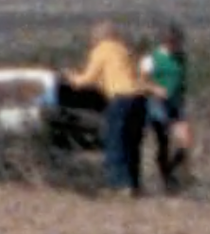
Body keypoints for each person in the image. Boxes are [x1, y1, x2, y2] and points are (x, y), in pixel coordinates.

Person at [65, 20, 154, 197]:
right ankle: (134, 184)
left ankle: (118, 185)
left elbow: (87, 79)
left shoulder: (101, 51)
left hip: (120, 99)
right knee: (132, 144)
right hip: (139, 99)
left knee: (115, 141)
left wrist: (71, 78)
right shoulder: (124, 50)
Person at [145, 23, 193, 193]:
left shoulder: (181, 57)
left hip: (176, 104)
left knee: (185, 142)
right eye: (173, 42)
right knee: (163, 142)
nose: (176, 45)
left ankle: (170, 172)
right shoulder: (152, 58)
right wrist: (154, 88)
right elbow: (139, 79)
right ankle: (166, 179)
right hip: (157, 104)